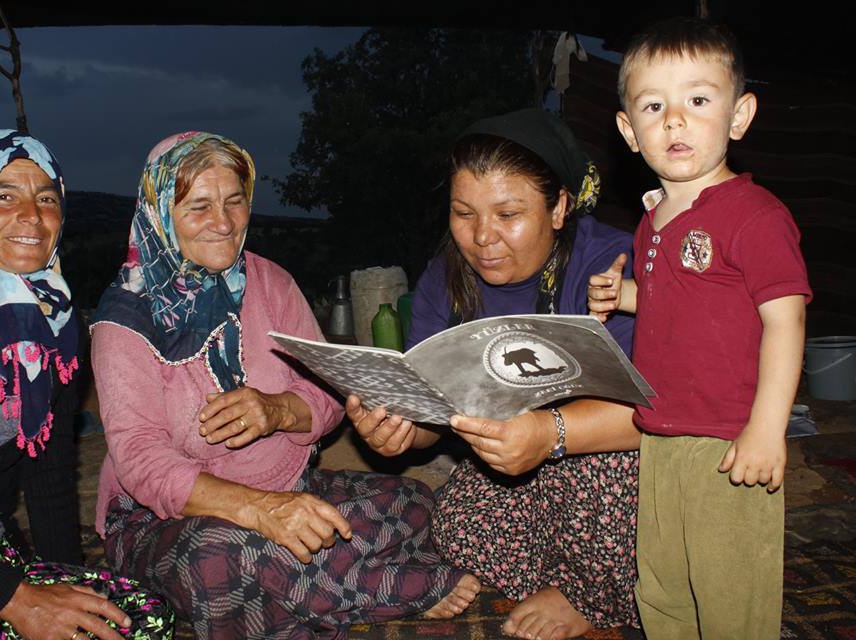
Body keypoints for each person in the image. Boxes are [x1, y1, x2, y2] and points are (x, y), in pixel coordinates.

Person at [90, 131, 479, 639]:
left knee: (417, 506)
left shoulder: (270, 282)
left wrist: (278, 411)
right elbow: (141, 462)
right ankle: (386, 587)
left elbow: (328, 397)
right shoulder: (125, 319)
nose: (224, 223)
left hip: (287, 487)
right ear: (160, 212)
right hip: (168, 522)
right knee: (218, 560)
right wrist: (260, 511)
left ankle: (306, 589)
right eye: (199, 207)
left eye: (235, 202)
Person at [347, 108, 641, 640]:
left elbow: (654, 413)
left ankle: (587, 594)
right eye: (464, 213)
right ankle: (595, 577)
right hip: (516, 459)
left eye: (508, 214)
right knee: (458, 526)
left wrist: (546, 433)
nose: (482, 237)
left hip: (612, 460)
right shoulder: (446, 276)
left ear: (559, 208)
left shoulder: (612, 267)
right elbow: (437, 407)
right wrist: (400, 431)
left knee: (608, 479)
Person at [0, 130, 174, 640]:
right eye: (4, 196)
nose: (32, 214)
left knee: (140, 618)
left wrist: (71, 584)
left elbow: (48, 476)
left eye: (46, 197)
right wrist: (19, 601)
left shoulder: (58, 323)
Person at [587, 18, 811, 639]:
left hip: (729, 439)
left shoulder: (755, 216)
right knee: (660, 584)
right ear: (630, 131)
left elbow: (785, 320)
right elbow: (679, 300)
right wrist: (627, 295)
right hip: (658, 431)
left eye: (698, 99)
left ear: (739, 117)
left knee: (729, 588)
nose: (675, 120)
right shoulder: (654, 220)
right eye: (654, 105)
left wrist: (767, 429)